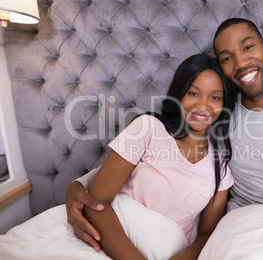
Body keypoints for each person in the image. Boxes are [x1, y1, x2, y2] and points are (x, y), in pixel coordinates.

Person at [67, 18, 263, 251]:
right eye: (227, 58)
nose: (241, 63)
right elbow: (145, 155)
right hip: (240, 228)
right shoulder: (222, 114)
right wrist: (78, 187)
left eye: (248, 47)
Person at [68, 53, 236, 259]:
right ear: (179, 94)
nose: (203, 105)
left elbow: (208, 233)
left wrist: (185, 257)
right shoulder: (148, 128)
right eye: (193, 93)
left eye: (215, 97)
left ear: (224, 104)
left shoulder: (220, 166)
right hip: (112, 242)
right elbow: (95, 203)